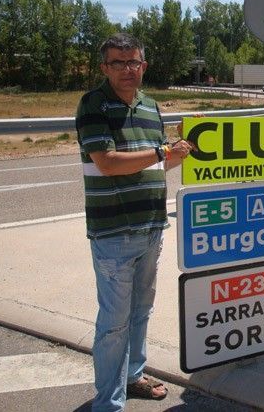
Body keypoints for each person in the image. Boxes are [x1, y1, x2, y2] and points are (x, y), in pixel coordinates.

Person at [75, 32, 194, 411]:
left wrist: (181, 155)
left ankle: (133, 375)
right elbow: (107, 163)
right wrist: (162, 150)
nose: (127, 70)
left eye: (133, 62)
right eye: (117, 63)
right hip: (114, 232)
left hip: (151, 227)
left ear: (143, 65)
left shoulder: (150, 106)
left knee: (141, 311)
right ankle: (108, 402)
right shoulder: (93, 104)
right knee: (114, 322)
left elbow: (158, 164)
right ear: (104, 67)